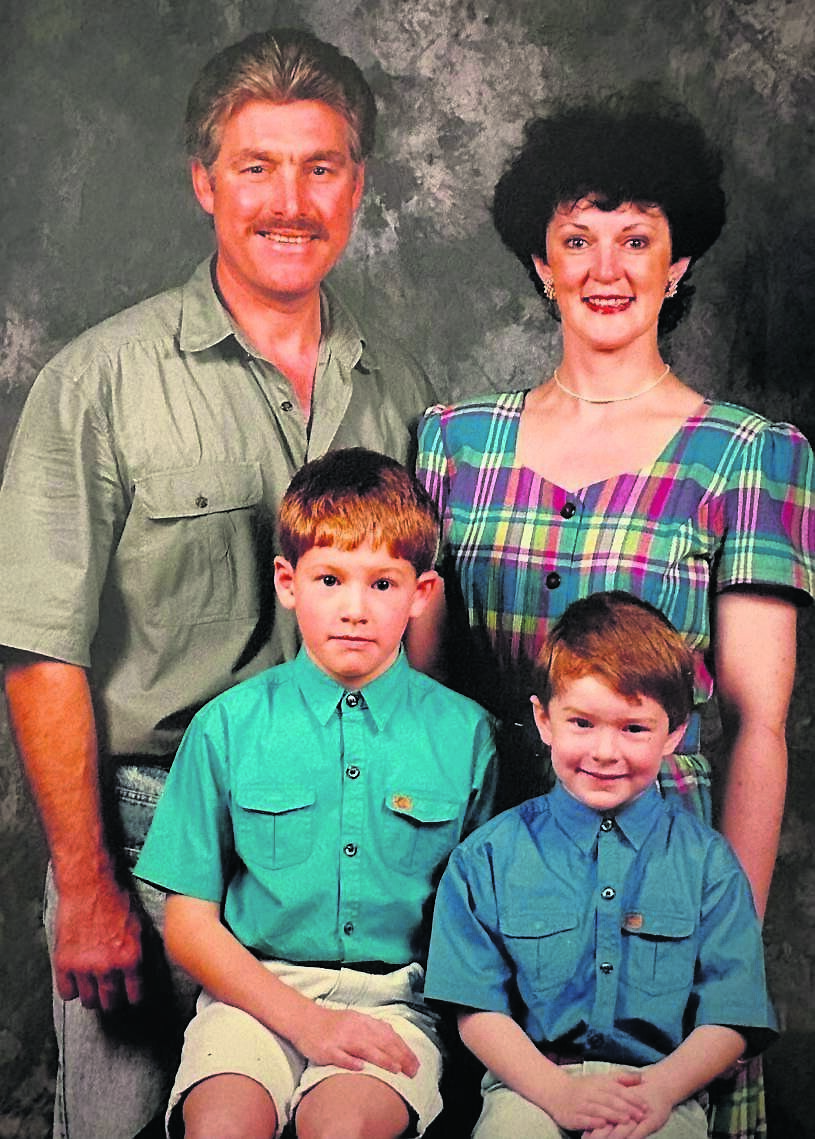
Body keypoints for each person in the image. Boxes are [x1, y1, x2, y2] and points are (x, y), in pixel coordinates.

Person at [0, 28, 436, 1139]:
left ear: (358, 185)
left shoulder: (401, 386)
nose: (289, 201)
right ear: (204, 181)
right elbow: (40, 647)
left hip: (352, 844)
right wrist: (86, 882)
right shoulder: (98, 382)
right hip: (147, 836)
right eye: (255, 166)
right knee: (122, 1125)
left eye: (319, 166)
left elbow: (425, 634)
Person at [411, 93, 813, 1137]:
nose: (605, 266)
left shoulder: (745, 454)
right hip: (479, 865)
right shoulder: (453, 443)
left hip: (657, 884)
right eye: (576, 237)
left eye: (635, 238)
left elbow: (757, 725)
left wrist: (719, 944)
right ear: (538, 262)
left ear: (677, 265)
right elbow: (415, 691)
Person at [134, 447, 496, 1139]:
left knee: (340, 1129)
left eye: (382, 584)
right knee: (222, 1127)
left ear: (421, 593)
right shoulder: (228, 726)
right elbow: (188, 925)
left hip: (394, 1002)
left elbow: (472, 926)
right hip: (252, 995)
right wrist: (306, 1022)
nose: (354, 609)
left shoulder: (466, 736)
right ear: (288, 581)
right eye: (329, 579)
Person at [425, 592, 777, 1139]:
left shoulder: (709, 864)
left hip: (660, 1093)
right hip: (530, 1089)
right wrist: (557, 1092)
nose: (605, 752)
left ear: (675, 733)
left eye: (633, 728)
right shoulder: (486, 858)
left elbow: (731, 1014)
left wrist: (660, 1092)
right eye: (582, 723)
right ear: (544, 720)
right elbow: (475, 1008)